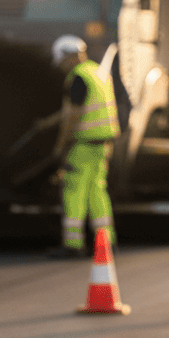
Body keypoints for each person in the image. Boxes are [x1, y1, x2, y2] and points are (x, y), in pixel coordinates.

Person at [49, 34, 121, 258]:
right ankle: (106, 242)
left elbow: (73, 115)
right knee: (97, 191)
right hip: (102, 144)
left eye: (61, 62)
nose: (60, 68)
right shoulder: (98, 73)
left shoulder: (78, 77)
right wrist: (48, 122)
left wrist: (60, 147)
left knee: (74, 191)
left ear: (69, 58)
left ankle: (72, 244)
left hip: (82, 145)